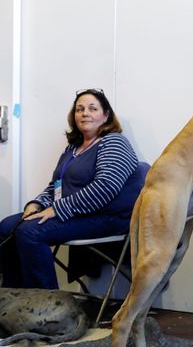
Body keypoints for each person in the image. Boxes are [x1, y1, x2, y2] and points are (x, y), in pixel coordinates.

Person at [0, 89, 139, 289]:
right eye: (80, 109)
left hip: (107, 216)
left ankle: (45, 307)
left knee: (30, 232)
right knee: (6, 227)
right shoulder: (72, 148)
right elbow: (56, 186)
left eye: (93, 108)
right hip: (74, 213)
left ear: (105, 115)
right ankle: (14, 297)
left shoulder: (114, 142)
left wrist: (57, 209)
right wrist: (36, 204)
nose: (85, 113)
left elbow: (106, 187)